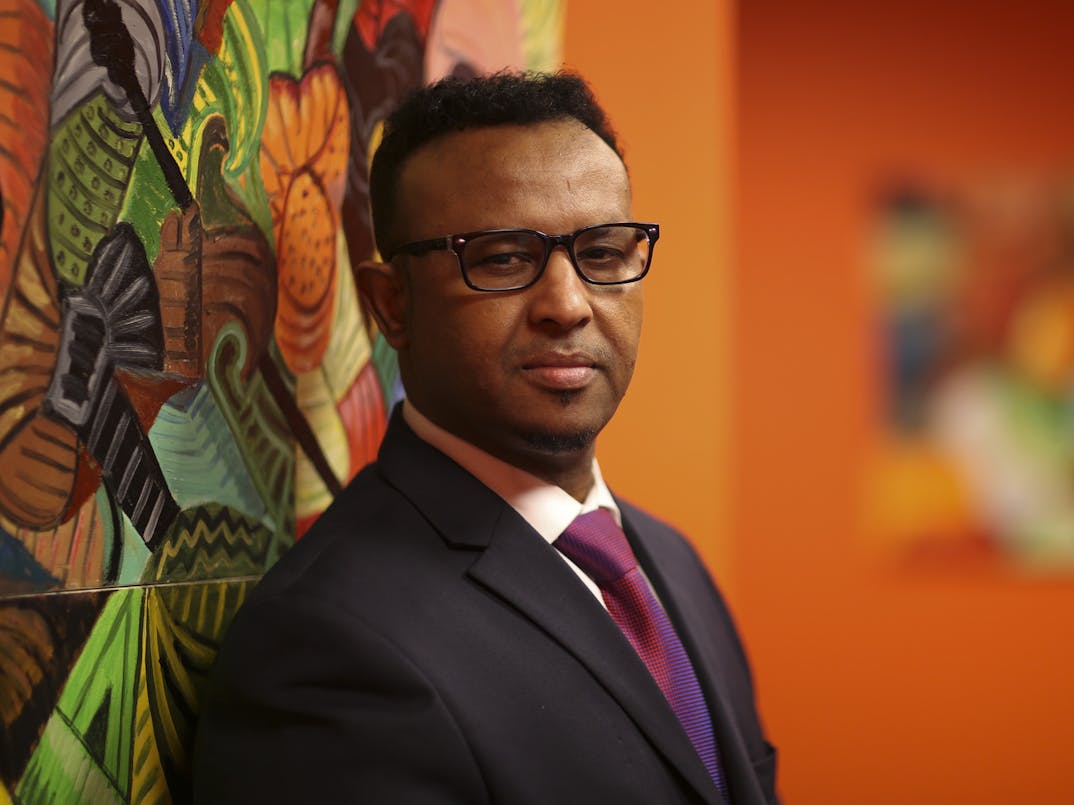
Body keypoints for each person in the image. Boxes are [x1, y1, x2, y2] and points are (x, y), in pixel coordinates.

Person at [192, 72, 778, 804]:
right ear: (391, 304)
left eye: (601, 253)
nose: (568, 305)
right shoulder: (328, 647)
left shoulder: (674, 565)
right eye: (503, 257)